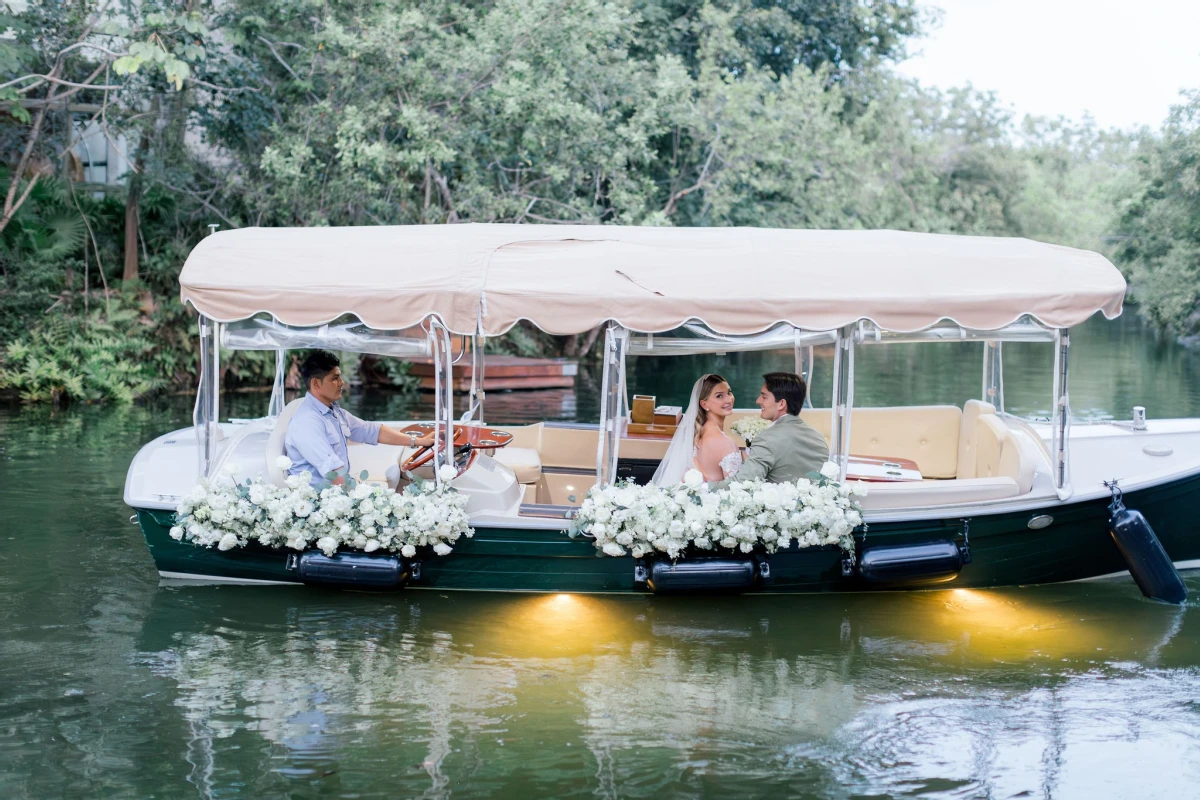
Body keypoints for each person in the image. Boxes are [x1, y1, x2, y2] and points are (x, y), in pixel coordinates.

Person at [285, 350, 434, 485]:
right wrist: (362, 498)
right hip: (322, 504)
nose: (342, 383)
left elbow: (370, 430)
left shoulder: (333, 411)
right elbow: (334, 473)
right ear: (316, 384)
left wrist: (418, 441)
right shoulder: (307, 422)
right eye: (335, 378)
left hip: (338, 493)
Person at [711, 371, 829, 488]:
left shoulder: (766, 440)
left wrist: (706, 487)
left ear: (781, 404)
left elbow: (742, 484)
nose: (758, 401)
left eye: (764, 397)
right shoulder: (818, 439)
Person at [652, 373, 743, 486]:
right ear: (704, 404)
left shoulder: (694, 433)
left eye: (729, 392)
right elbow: (736, 490)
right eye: (719, 396)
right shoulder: (727, 444)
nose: (729, 399)